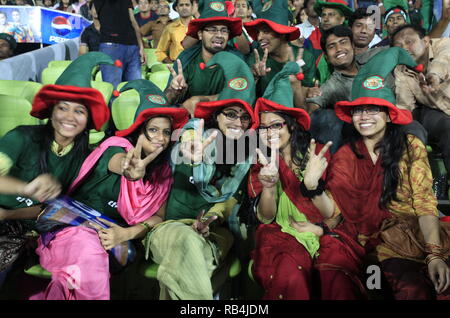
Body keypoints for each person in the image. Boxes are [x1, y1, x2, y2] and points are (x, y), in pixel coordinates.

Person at [31, 79, 189, 300]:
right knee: (88, 252)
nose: (161, 138)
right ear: (138, 130)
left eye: (166, 132)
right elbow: (120, 162)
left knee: (83, 269)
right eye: (152, 130)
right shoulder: (116, 147)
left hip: (115, 238)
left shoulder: (163, 171)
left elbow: (158, 217)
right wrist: (130, 169)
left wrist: (127, 233)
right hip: (73, 227)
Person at [331, 47, 450, 299]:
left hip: (417, 230)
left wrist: (434, 254)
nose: (364, 117)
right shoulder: (345, 155)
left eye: (373, 109)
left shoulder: (410, 146)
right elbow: (336, 213)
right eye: (358, 110)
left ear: (387, 114)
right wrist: (312, 185)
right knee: (408, 290)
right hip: (374, 243)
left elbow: (424, 202)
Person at [249, 61, 366, 300]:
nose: (269, 132)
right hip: (281, 233)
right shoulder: (259, 162)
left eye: (276, 125)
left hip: (325, 231)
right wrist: (269, 187)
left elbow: (334, 214)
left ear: (291, 126)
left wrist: (313, 188)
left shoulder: (320, 154)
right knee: (289, 275)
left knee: (337, 281)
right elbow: (267, 217)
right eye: (263, 128)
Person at [145, 51, 257, 300]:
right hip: (170, 227)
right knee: (187, 246)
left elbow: (229, 201)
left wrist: (212, 219)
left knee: (183, 265)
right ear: (216, 117)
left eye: (244, 117)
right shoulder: (195, 134)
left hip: (212, 233)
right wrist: (187, 147)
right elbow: (187, 136)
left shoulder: (245, 154)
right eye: (230, 114)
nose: (237, 122)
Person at [0, 52, 114, 289]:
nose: (69, 117)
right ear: (51, 112)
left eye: (79, 111)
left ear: (88, 119)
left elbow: (55, 208)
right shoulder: (22, 137)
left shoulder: (85, 157)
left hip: (31, 228)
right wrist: (26, 187)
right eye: (63, 108)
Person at [391, 24, 450, 184]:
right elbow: (405, 107)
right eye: (399, 47)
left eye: (409, 42)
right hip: (439, 115)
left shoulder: (444, 44)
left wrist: (434, 75)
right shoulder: (402, 71)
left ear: (425, 41)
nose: (405, 49)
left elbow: (444, 60)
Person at [164, 0, 243, 114]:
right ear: (200, 34)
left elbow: (239, 95)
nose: (219, 35)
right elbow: (166, 101)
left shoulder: (236, 60)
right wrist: (174, 91)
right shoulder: (186, 59)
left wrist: (200, 100)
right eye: (212, 30)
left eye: (224, 30)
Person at [244, 0, 316, 107]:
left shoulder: (306, 58)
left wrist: (295, 84)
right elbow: (246, 104)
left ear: (282, 33)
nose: (259, 38)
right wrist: (253, 77)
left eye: (266, 31)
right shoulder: (256, 59)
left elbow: (305, 111)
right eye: (258, 32)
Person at [94, 0, 147, 89]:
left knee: (136, 90)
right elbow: (95, 15)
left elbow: (132, 20)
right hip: (111, 44)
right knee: (114, 90)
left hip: (132, 46)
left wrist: (141, 47)